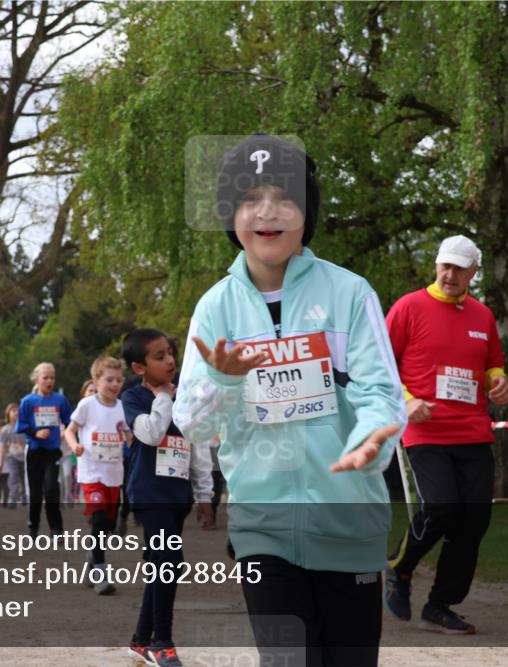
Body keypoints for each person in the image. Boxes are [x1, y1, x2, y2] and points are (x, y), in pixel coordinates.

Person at [173, 134, 406, 667]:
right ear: (231, 216)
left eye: (284, 198)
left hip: (349, 524)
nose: (267, 212)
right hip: (264, 531)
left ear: (308, 212)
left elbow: (381, 392)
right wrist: (224, 380)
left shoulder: (351, 293)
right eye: (250, 199)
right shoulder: (215, 308)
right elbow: (193, 424)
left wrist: (372, 441)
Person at [382, 234, 508, 634]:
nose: (449, 274)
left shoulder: (482, 316)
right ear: (436, 265)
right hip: (426, 429)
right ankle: (400, 568)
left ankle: (440, 605)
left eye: (458, 268)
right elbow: (379, 365)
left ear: (474, 271)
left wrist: (499, 382)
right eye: (445, 266)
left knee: (474, 519)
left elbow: (492, 365)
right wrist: (406, 402)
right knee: (441, 507)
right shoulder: (408, 307)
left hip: (473, 430)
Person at [123, 328, 214, 666]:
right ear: (139, 367)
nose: (170, 360)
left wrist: (204, 494)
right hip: (149, 493)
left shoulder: (186, 395)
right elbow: (151, 433)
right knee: (168, 562)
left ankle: (140, 639)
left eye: (171, 353)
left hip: (178, 495)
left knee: (163, 564)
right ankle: (162, 642)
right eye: (159, 357)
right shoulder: (133, 398)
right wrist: (163, 397)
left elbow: (197, 444)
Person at [65, 356, 130, 595]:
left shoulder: (123, 407)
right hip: (91, 474)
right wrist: (75, 446)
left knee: (108, 525)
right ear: (96, 380)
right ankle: (101, 574)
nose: (115, 384)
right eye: (109, 380)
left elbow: (128, 435)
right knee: (99, 520)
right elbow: (69, 430)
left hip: (114, 474)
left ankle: (92, 559)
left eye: (119, 380)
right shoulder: (87, 405)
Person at [16, 362, 72, 537]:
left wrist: (68, 434)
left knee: (51, 488)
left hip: (52, 451)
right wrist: (36, 433)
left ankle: (56, 530)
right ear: (36, 379)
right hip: (34, 451)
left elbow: (70, 422)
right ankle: (33, 526)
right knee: (35, 492)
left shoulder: (60, 400)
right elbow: (22, 425)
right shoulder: (28, 401)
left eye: (52, 378)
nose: (49, 381)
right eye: (45, 378)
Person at [0, 403, 26, 508]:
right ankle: (13, 498)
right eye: (13, 411)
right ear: (8, 413)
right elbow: (2, 446)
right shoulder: (5, 429)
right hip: (11, 457)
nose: (16, 413)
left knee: (24, 477)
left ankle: (24, 495)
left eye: (18, 411)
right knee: (13, 475)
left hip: (24, 456)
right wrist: (1, 462)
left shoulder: (24, 427)